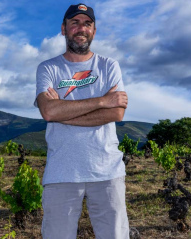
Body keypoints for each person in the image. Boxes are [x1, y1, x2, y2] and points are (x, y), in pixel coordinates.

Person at [34, 3, 129, 239]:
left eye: (87, 24)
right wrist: (101, 101)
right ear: (63, 29)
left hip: (107, 171)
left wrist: (63, 112)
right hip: (61, 173)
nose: (81, 28)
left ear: (94, 31)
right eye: (74, 23)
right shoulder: (48, 68)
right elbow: (48, 112)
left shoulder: (109, 66)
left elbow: (116, 114)